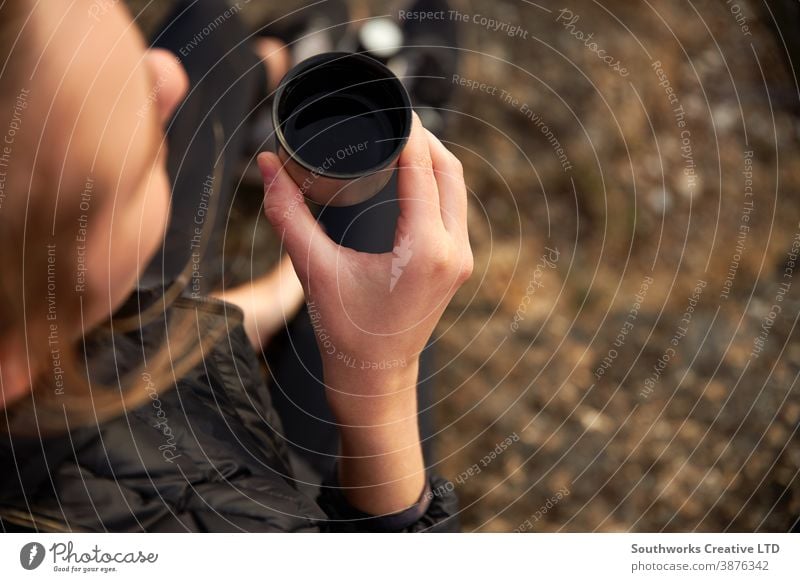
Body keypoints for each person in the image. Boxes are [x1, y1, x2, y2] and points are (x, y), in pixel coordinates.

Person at [0, 0, 472, 532]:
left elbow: (126, 343)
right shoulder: (219, 526)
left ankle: (279, 70)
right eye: (143, 161)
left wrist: (272, 296)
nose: (165, 74)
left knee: (208, 22)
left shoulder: (43, 316)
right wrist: (380, 388)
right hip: (296, 475)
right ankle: (405, 108)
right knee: (381, 208)